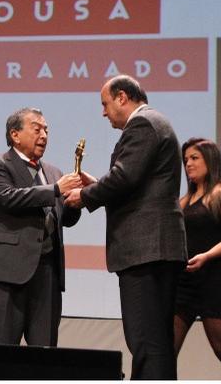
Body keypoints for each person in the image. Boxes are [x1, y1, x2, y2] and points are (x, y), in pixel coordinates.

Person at [63, 75, 187, 380]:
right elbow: (133, 179)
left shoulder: (143, 124)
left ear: (122, 97)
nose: (103, 112)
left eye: (105, 104)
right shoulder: (155, 123)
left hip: (147, 249)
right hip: (155, 248)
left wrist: (85, 195)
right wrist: (99, 184)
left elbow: (125, 178)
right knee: (154, 341)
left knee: (146, 340)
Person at [0, 107, 82, 347]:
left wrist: (76, 200)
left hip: (48, 275)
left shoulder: (54, 172)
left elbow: (65, 219)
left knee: (44, 358)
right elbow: (8, 198)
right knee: (1, 356)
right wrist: (56, 190)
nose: (44, 135)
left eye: (46, 130)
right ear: (15, 134)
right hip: (7, 275)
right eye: (37, 129)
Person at [174, 137, 221, 379]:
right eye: (185, 159)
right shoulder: (184, 201)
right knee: (166, 350)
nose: (188, 164)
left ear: (210, 160)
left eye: (194, 158)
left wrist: (206, 256)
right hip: (183, 284)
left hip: (213, 281)